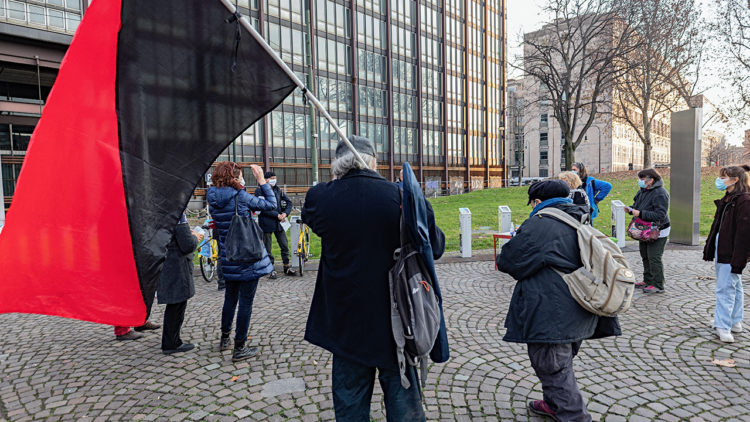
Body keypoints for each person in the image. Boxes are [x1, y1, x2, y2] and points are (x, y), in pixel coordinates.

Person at [301, 136, 445, 421]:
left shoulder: (321, 198)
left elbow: (313, 216)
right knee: (403, 402)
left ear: (336, 165)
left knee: (350, 404)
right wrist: (414, 199)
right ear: (374, 162)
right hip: (396, 317)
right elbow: (435, 247)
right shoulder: (401, 197)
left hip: (346, 319)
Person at [497, 179, 621, 422]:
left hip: (552, 310)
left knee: (552, 366)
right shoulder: (579, 216)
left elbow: (508, 261)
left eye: (532, 202)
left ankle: (575, 417)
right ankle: (553, 405)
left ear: (538, 202)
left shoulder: (542, 223)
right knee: (560, 362)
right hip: (580, 305)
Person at [207, 162, 277, 362]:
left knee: (230, 299)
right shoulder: (241, 197)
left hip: (228, 256)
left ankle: (224, 338)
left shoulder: (212, 198)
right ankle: (240, 347)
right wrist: (262, 181)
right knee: (245, 303)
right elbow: (271, 205)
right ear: (235, 178)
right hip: (246, 256)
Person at [703, 165, 750, 343]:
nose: (720, 180)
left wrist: (738, 259)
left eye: (723, 177)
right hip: (722, 248)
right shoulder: (730, 198)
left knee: (725, 288)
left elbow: (744, 233)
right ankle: (735, 321)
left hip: (730, 251)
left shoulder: (744, 200)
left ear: (735, 179)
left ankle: (722, 326)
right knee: (734, 285)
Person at [157, 213, 203, 354]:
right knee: (177, 303)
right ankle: (171, 343)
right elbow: (187, 245)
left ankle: (170, 340)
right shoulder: (177, 214)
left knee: (175, 303)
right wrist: (196, 236)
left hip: (164, 260)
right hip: (176, 264)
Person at [625, 168, 670, 293]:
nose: (640, 181)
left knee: (654, 256)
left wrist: (640, 213)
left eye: (643, 179)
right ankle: (648, 280)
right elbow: (637, 205)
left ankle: (658, 284)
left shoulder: (660, 193)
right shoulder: (643, 191)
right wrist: (630, 209)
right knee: (645, 255)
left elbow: (660, 214)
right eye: (640, 179)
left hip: (657, 229)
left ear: (652, 180)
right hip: (643, 228)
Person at [254, 171, 295, 278]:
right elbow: (262, 207)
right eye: (272, 178)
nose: (274, 180)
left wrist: (285, 213)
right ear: (266, 179)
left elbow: (289, 203)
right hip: (267, 223)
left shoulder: (278, 190)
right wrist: (277, 215)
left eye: (275, 178)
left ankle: (286, 266)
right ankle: (270, 269)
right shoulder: (259, 191)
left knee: (284, 245)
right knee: (268, 248)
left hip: (279, 223)